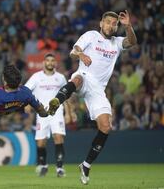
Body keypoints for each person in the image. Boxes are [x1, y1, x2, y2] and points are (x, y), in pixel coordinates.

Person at [47, 10, 137, 184]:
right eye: (108, 22)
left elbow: (132, 41)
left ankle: (86, 165)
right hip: (84, 75)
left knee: (106, 126)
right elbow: (74, 51)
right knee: (79, 78)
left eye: (114, 23)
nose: (111, 25)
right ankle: (57, 101)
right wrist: (81, 55)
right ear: (101, 24)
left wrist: (129, 26)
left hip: (98, 90)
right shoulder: (91, 35)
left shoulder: (117, 43)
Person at [25, 53, 76, 177]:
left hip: (57, 112)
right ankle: (43, 165)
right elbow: (26, 90)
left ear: (55, 63)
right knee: (41, 141)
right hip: (42, 113)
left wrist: (69, 112)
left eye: (52, 60)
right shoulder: (36, 77)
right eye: (47, 60)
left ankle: (60, 168)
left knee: (58, 137)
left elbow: (67, 96)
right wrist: (26, 104)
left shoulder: (60, 78)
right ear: (44, 63)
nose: (50, 62)